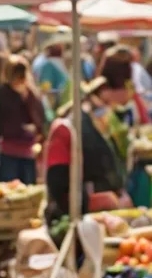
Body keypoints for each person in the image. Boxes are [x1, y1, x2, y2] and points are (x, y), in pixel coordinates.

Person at [44, 77, 129, 218]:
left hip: (82, 194)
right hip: (73, 200)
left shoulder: (86, 123)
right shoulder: (72, 127)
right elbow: (59, 181)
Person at [0, 55, 46, 184]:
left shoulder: (32, 95)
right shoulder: (2, 95)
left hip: (28, 152)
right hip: (9, 153)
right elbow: (1, 126)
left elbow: (40, 122)